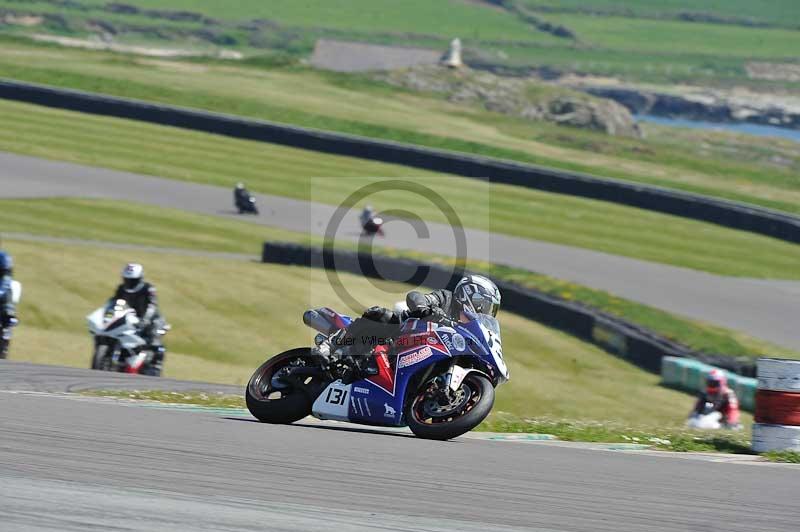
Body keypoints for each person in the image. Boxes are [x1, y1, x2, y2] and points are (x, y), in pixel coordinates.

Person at [315, 275, 501, 377]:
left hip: (425, 353)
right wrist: (423, 307)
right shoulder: (447, 299)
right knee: (380, 315)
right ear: (472, 297)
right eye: (486, 306)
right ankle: (330, 346)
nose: (487, 312)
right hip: (403, 333)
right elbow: (416, 296)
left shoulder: (469, 332)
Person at [111, 263, 165, 372]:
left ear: (140, 278)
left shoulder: (148, 288)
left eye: (132, 280)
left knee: (155, 338)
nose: (129, 283)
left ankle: (156, 366)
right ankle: (119, 359)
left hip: (150, 319)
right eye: (127, 280)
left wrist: (146, 319)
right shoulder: (121, 288)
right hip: (130, 317)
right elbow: (114, 302)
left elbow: (152, 305)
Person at [0, 250, 18, 358]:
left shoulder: (4, 258)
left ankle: (8, 315)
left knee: (14, 287)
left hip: (2, 296)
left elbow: (6, 283)